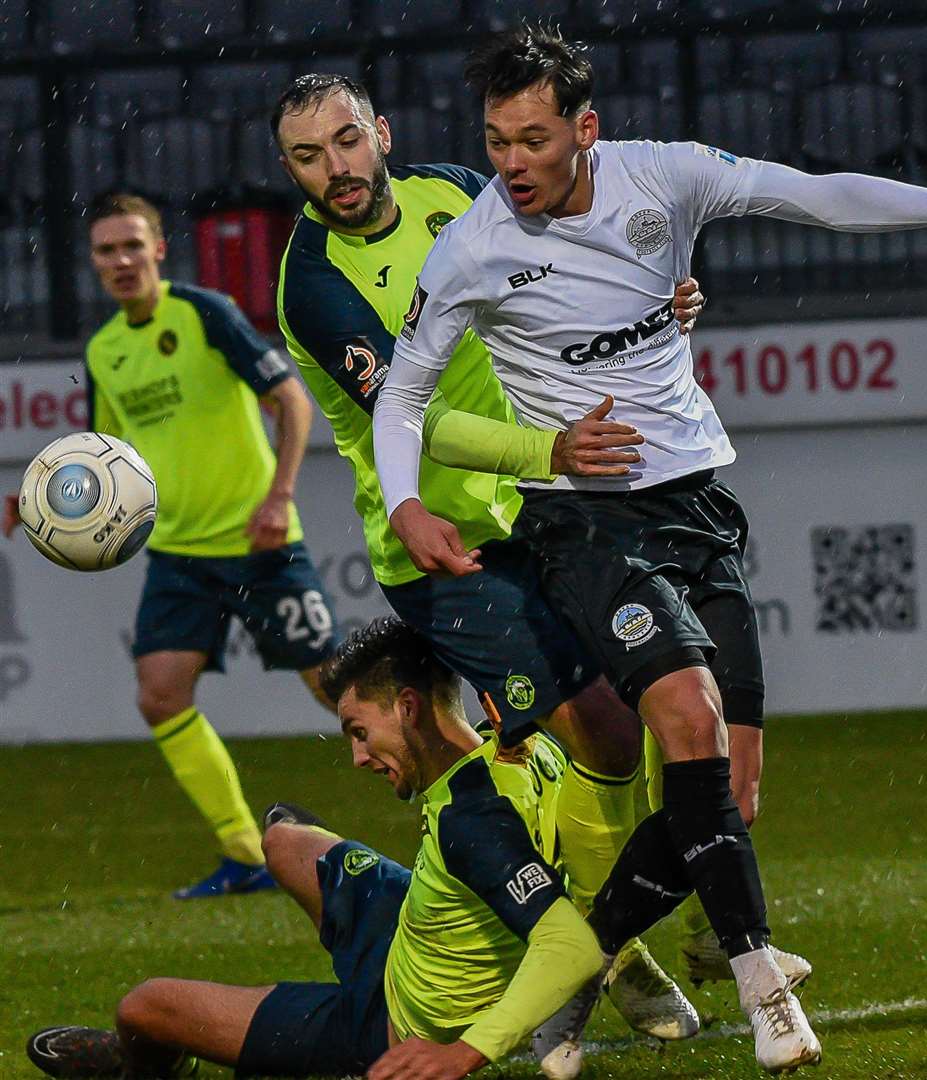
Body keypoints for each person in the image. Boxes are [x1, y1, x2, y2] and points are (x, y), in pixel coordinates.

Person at [370, 24, 927, 1072]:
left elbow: (818, 194)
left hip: (696, 503)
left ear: (585, 129)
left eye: (531, 138)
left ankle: (578, 974)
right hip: (580, 518)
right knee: (685, 714)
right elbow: (404, 393)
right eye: (495, 140)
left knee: (727, 791)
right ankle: (761, 987)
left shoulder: (665, 179)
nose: (511, 163)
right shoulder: (473, 245)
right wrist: (402, 505)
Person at [268, 72, 798, 1051]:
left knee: (637, 721)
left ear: (379, 132)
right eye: (308, 156)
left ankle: (610, 939)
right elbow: (410, 415)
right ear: (290, 169)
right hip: (439, 541)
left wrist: (649, 298)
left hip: (549, 509)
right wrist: (542, 450)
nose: (335, 169)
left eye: (346, 141)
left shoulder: (459, 193)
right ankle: (614, 956)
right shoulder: (312, 284)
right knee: (597, 721)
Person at [26, 616, 605, 1080]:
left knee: (144, 1009)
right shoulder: (518, 745)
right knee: (282, 836)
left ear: (407, 706)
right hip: (410, 933)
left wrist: (465, 1053)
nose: (357, 757)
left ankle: (149, 1064)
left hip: (388, 1023)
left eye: (359, 731)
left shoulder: (471, 823)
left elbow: (571, 947)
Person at [1, 193, 340, 901]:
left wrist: (280, 497)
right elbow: (103, 459)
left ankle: (457, 805)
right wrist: (36, 503)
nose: (120, 261)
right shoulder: (103, 351)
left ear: (159, 249)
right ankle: (248, 855)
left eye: (132, 246)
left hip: (261, 545)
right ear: (92, 262)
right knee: (160, 697)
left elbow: (292, 401)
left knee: (338, 692)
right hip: (180, 557)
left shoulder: (204, 312)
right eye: (105, 251)